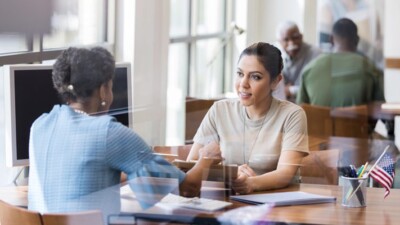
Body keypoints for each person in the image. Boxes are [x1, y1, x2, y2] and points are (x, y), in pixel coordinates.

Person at [28, 47, 222, 221]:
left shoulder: (39, 125)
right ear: (103, 91)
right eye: (111, 86)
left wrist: (132, 173)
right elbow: (187, 188)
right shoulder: (109, 133)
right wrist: (206, 159)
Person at [187, 42, 309, 195]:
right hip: (229, 200)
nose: (243, 84)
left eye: (255, 77)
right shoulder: (219, 110)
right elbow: (191, 163)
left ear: (276, 81)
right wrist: (232, 173)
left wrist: (251, 183)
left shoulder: (292, 115)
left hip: (278, 203)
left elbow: (285, 174)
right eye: (239, 74)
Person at [296, 18, 384, 107]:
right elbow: (380, 108)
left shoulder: (309, 69)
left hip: (318, 121)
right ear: (357, 40)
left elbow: (301, 109)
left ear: (331, 39)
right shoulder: (370, 68)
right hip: (356, 121)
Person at [276, 21, 321, 102]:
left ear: (301, 37)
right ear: (279, 41)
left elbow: (316, 88)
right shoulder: (275, 55)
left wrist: (290, 90)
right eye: (286, 39)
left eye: (295, 38)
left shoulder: (315, 54)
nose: (291, 43)